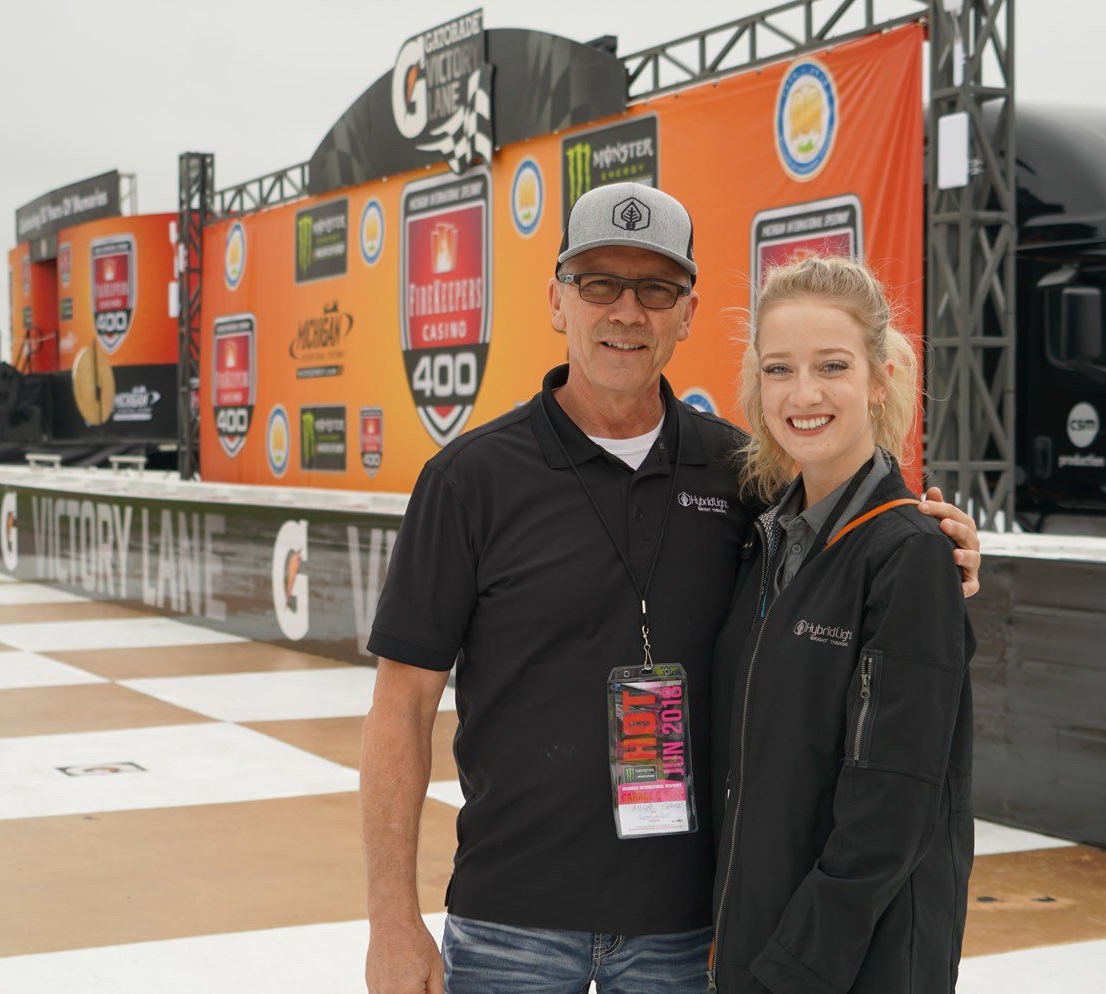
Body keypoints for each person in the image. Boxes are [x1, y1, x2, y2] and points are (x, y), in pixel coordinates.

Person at [361, 183, 981, 994]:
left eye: (654, 289)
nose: (626, 311)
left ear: (687, 312)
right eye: (599, 285)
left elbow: (851, 539)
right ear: (557, 300)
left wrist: (940, 547)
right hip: (510, 921)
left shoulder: (746, 478)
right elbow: (400, 709)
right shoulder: (469, 481)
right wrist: (391, 922)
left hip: (688, 934)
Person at [707, 255, 975, 994]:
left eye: (831, 366)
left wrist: (793, 969)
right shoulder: (767, 541)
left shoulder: (910, 555)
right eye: (779, 369)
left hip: (847, 965)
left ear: (879, 377)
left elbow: (895, 805)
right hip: (757, 945)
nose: (803, 394)